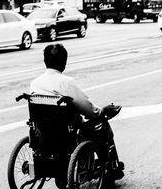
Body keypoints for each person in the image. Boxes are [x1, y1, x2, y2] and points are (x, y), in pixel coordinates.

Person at [30, 44, 124, 180]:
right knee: (102, 126)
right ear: (64, 62)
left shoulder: (35, 83)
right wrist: (101, 112)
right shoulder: (66, 83)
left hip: (42, 134)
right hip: (67, 135)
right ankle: (109, 168)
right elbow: (87, 108)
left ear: (45, 61)